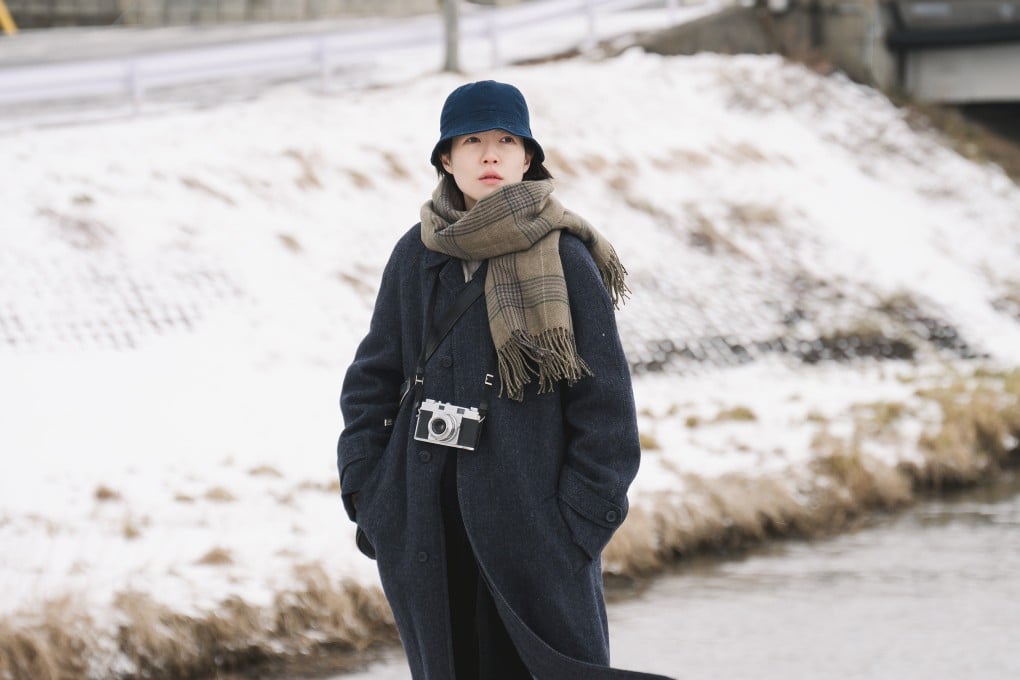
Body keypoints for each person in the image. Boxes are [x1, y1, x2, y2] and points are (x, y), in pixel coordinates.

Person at [337, 80, 673, 680]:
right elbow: (373, 379)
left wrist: (575, 529)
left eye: (505, 140)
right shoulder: (416, 254)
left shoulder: (567, 257)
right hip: (427, 528)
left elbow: (606, 411)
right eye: (472, 140)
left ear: (526, 158)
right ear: (447, 157)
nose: (489, 154)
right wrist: (370, 496)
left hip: (534, 532)